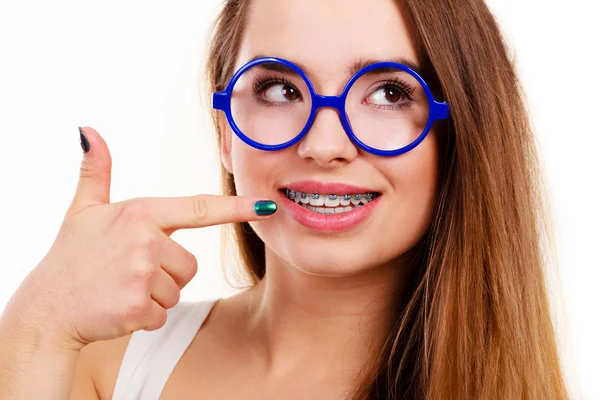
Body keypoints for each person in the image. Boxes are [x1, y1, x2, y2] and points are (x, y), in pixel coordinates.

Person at [0, 0, 571, 398]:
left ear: (463, 133)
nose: (325, 145)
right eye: (280, 89)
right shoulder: (102, 364)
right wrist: (36, 324)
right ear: (224, 131)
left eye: (391, 92)